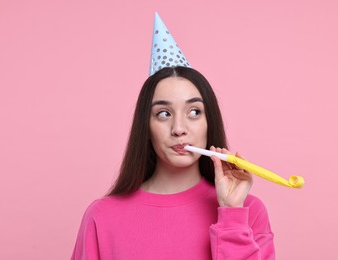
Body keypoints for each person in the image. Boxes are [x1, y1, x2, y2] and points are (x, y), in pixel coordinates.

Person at [71, 13, 275, 260]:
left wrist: (231, 213)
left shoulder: (248, 211)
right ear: (145, 126)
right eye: (164, 113)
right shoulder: (101, 217)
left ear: (210, 122)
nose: (179, 128)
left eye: (194, 112)